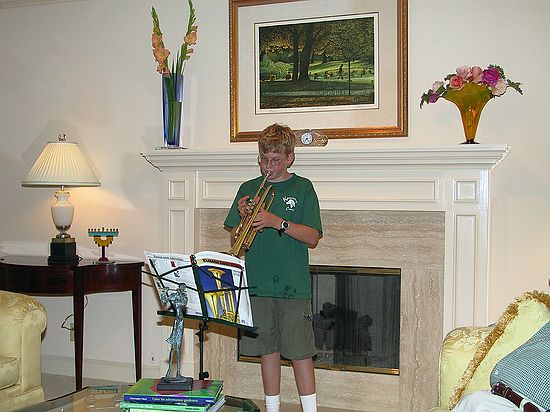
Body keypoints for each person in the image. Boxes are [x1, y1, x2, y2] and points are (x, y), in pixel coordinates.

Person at [224, 123, 323, 412]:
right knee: (267, 350)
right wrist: (243, 219)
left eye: (275, 160)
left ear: (290, 157)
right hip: (258, 282)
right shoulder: (247, 189)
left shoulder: (303, 187)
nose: (268, 167)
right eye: (263, 159)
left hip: (293, 284)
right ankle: (272, 408)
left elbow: (313, 237)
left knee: (300, 352)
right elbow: (236, 242)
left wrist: (275, 221)